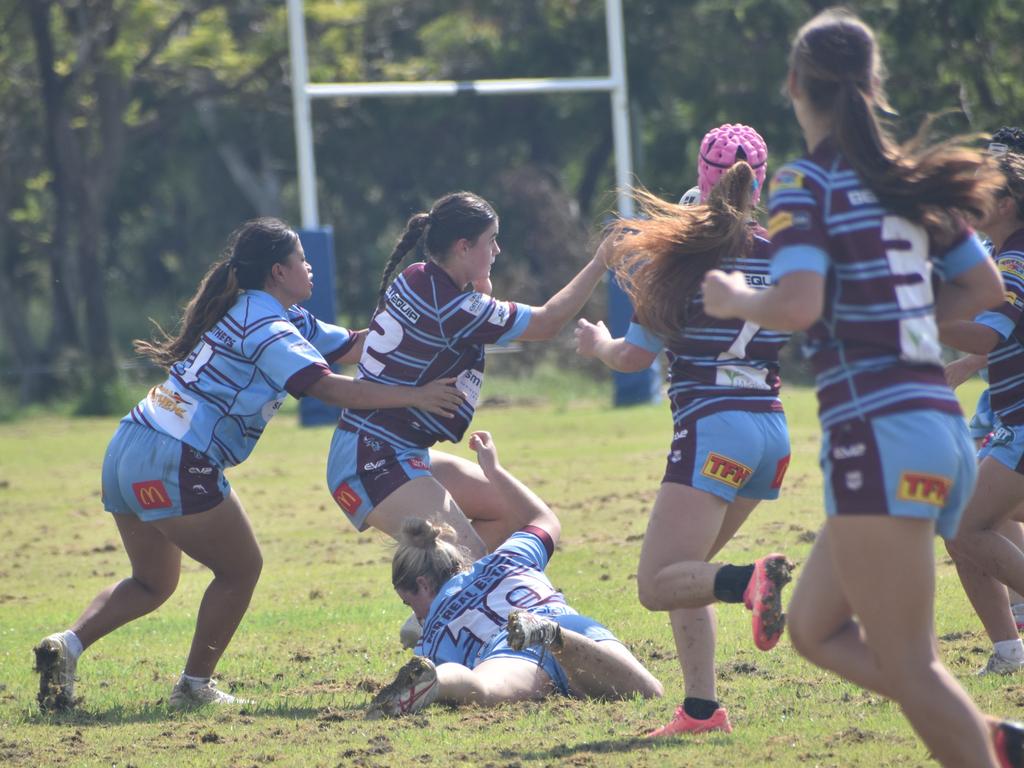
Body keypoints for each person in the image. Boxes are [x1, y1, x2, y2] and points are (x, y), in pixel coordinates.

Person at [700, 9, 1021, 767]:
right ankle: (993, 741)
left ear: (793, 84)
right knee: (814, 629)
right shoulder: (906, 180)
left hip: (882, 432)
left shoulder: (803, 181)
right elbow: (982, 287)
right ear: (873, 85)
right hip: (929, 425)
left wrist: (735, 299)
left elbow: (800, 303)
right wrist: (904, 318)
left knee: (911, 664)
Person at [34, 217, 466, 712]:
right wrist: (415, 395)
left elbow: (353, 345)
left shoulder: (267, 311)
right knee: (242, 569)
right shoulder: (268, 325)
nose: (310, 268)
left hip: (130, 443)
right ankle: (194, 688)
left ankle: (65, 645)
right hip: (177, 455)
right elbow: (323, 387)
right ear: (279, 271)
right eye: (303, 259)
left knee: (153, 582)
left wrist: (426, 318)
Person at [574, 124, 794, 737]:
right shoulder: (781, 250)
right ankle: (702, 710)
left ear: (701, 176)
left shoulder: (679, 256)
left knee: (655, 583)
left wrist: (596, 345)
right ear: (762, 180)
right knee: (686, 572)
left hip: (713, 429)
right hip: (772, 433)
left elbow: (633, 359)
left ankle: (750, 581)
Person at [326, 191, 608, 559]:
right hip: (371, 458)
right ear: (462, 247)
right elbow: (548, 321)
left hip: (394, 448)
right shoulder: (455, 309)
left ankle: (424, 617)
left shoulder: (416, 276)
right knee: (466, 562)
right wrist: (601, 261)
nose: (498, 251)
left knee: (509, 513)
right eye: (491, 241)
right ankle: (443, 604)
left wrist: (480, 287)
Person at [366, 431, 663, 717]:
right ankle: (555, 637)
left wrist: (431, 661)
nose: (416, 615)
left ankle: (438, 682)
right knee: (648, 692)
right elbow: (543, 519)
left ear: (423, 584)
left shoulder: (433, 632)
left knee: (482, 688)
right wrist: (494, 470)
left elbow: (469, 680)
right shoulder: (509, 556)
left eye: (410, 603)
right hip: (564, 620)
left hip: (507, 647)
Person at [943, 130, 1024, 674]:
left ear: (1008, 204)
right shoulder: (998, 253)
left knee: (964, 524)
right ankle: (1009, 651)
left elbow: (992, 335)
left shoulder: (1015, 260)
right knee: (960, 525)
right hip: (1011, 421)